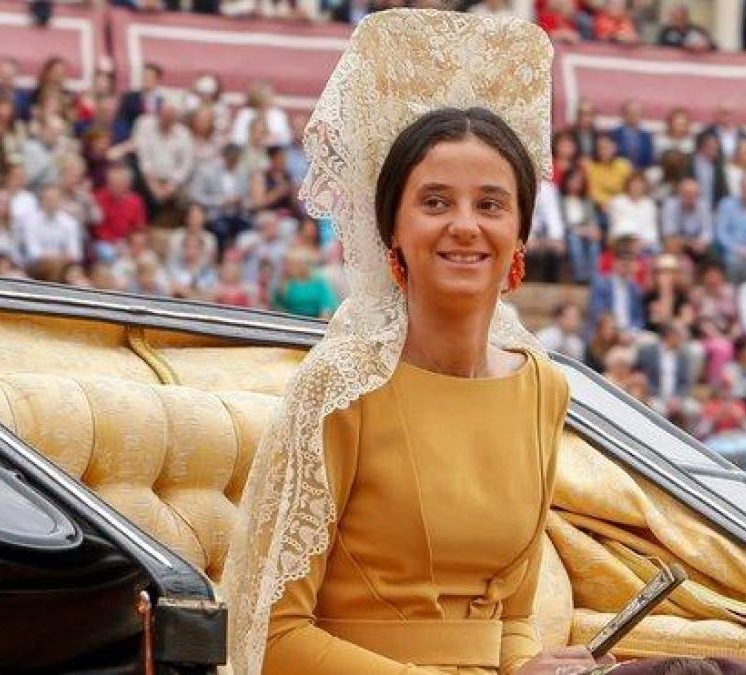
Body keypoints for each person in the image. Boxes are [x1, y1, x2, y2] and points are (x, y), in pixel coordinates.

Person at [222, 13, 607, 675]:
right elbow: (274, 637)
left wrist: (531, 666)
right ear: (391, 233)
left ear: (519, 239)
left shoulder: (544, 385)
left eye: (490, 204)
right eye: (435, 202)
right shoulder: (342, 383)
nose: (464, 225)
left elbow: (509, 617)